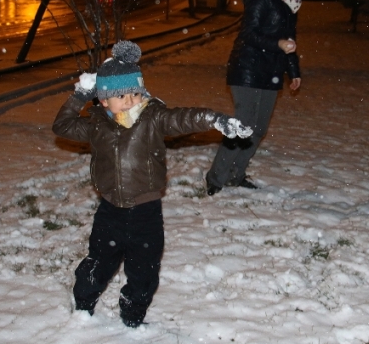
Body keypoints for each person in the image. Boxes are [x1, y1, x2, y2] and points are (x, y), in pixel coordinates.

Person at [52, 40, 252, 327]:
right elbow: (62, 126)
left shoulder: (152, 118)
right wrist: (79, 95)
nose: (131, 100)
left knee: (144, 270)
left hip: (146, 212)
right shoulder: (96, 124)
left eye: (135, 92)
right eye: (122, 96)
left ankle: (133, 315)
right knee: (99, 262)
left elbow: (183, 118)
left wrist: (215, 119)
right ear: (104, 100)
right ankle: (83, 304)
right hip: (110, 211)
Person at [205, 0, 302, 196]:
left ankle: (237, 175)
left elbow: (290, 39)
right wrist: (277, 44)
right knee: (243, 126)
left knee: (258, 129)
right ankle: (216, 177)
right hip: (247, 70)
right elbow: (248, 34)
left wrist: (294, 71)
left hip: (271, 72)